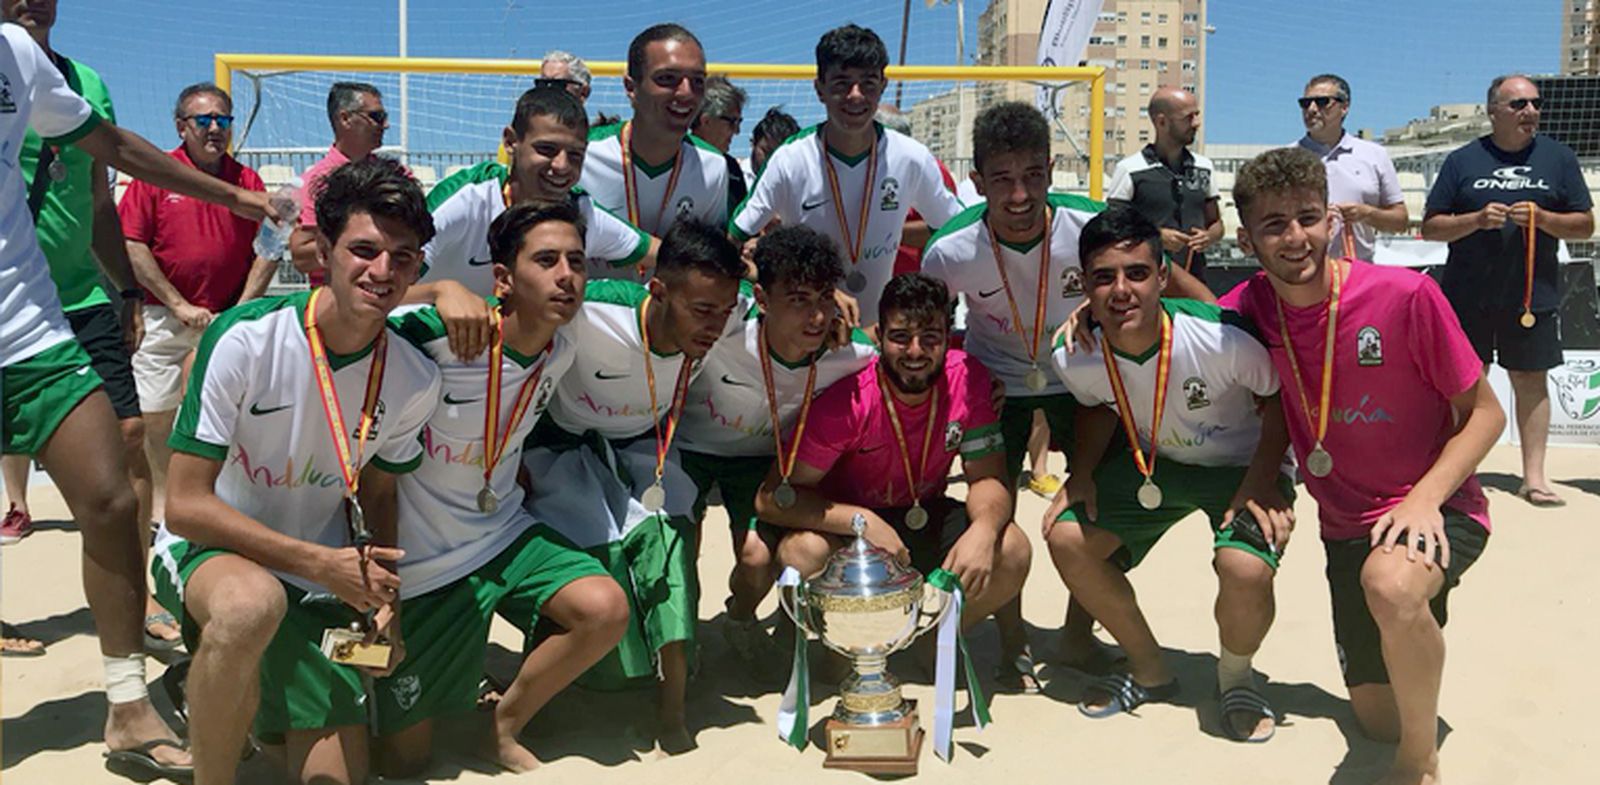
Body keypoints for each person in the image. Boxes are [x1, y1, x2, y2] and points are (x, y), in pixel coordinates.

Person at [1, 14, 271, 779]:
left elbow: (112, 153)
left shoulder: (20, 58)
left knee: (112, 497)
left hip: (30, 324)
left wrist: (236, 196)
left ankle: (127, 704)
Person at [154, 158, 440, 785]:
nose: (383, 271)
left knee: (337, 776)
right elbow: (184, 505)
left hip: (319, 576)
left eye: (403, 257)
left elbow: (380, 494)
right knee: (250, 607)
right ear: (323, 251)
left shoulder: (416, 378)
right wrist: (319, 564)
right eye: (364, 250)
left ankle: (218, 686)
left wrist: (385, 599)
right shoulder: (245, 338)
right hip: (215, 553)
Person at [1225, 147, 1504, 785]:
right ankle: (1415, 618)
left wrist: (1425, 499)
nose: (1296, 238)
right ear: (1246, 240)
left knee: (1390, 587)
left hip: (1437, 505)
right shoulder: (1254, 305)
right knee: (1378, 717)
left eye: (1308, 217)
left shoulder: (1405, 295)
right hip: (1347, 527)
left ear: (1332, 220)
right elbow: (1173, 309)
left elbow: (1487, 414)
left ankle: (1419, 765)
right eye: (1274, 225)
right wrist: (1091, 315)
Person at [921, 102, 1215, 681]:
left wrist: (1111, 310)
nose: (1019, 195)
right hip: (998, 387)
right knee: (996, 515)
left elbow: (1191, 296)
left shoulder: (1091, 224)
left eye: (1033, 175)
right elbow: (925, 326)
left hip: (1085, 383)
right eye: (1002, 180)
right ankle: (1012, 643)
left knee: (1097, 508)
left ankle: (1079, 636)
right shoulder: (950, 249)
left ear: (1051, 170)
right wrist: (963, 372)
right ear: (976, 181)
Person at [381, 201, 629, 775]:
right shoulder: (439, 337)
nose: (566, 275)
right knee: (403, 760)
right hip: (423, 563)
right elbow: (353, 309)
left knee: (604, 608)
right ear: (502, 279)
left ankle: (500, 725)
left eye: (577, 262)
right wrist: (438, 288)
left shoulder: (559, 351)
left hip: (501, 534)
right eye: (546, 260)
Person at [1043, 204, 1294, 743]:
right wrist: (1080, 473)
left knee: (1245, 569)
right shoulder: (1073, 353)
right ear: (1083, 284)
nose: (1121, 290)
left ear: (1162, 276)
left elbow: (1279, 400)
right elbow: (1094, 405)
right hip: (1156, 463)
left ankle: (1236, 680)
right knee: (1065, 537)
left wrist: (1261, 481)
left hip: (1242, 467)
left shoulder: (1222, 338)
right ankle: (1149, 669)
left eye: (1136, 273)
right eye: (1103, 277)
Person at [520, 217, 745, 753]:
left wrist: (835, 314)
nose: (715, 326)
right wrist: (444, 291)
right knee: (583, 561)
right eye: (702, 310)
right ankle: (549, 693)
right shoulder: (593, 310)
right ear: (659, 291)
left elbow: (789, 312)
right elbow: (511, 312)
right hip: (562, 444)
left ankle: (673, 708)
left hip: (645, 447)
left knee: (671, 542)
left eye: (725, 310)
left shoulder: (730, 318)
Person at [1, 0, 176, 655]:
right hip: (18, 302)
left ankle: (138, 595)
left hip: (79, 294)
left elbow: (101, 197)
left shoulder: (87, 81)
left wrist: (126, 288)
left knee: (128, 439)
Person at [754, 273, 1032, 679]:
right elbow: (772, 498)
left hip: (925, 513)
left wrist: (985, 530)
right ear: (880, 336)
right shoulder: (848, 402)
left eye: (930, 337)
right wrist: (862, 522)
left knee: (1013, 547)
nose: (915, 351)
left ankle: (931, 643)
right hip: (849, 530)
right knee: (802, 552)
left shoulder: (968, 379)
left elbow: (988, 478)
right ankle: (848, 650)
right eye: (901, 337)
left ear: (948, 336)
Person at [676, 225, 876, 680]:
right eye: (799, 300)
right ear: (762, 300)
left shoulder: (852, 353)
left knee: (756, 559)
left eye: (824, 298)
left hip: (762, 463)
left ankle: (740, 620)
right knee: (680, 550)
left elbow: (904, 365)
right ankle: (680, 641)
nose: (817, 316)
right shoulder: (727, 327)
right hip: (688, 448)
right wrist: (749, 268)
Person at [1421, 74, 1593, 509]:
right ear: (1493, 111)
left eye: (1535, 103)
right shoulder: (1462, 160)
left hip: (1533, 294)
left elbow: (1585, 225)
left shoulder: (1559, 158)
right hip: (1468, 294)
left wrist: (1544, 218)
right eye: (1518, 104)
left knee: (1530, 380)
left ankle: (1534, 478)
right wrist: (1475, 220)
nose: (1530, 111)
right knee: (1465, 383)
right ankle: (1459, 475)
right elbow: (1431, 227)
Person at [730, 24, 964, 324]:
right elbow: (732, 240)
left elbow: (958, 229)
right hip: (804, 332)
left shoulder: (911, 157)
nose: (856, 96)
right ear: (819, 89)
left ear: (883, 85)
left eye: (868, 83)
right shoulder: (790, 159)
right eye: (841, 84)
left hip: (876, 333)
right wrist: (763, 284)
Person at [121, 82, 274, 535]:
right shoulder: (156, 174)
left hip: (229, 317)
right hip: (165, 317)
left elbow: (271, 245)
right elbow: (132, 243)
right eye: (203, 120)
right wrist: (178, 303)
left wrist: (240, 309)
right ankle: (164, 507)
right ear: (180, 126)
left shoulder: (248, 182)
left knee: (233, 414)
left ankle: (221, 500)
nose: (214, 128)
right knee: (155, 413)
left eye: (222, 120)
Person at [420, 86, 655, 303]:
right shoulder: (467, 199)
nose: (562, 165)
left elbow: (659, 253)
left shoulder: (581, 212)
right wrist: (440, 292)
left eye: (575, 154)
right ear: (511, 142)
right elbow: (395, 280)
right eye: (547, 149)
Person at [581, 24, 730, 236]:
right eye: (667, 78)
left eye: (697, 81)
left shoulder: (713, 167)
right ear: (631, 87)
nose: (686, 93)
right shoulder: (581, 154)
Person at [1107, 87, 1223, 281]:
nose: (1196, 123)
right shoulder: (1129, 169)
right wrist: (1156, 236)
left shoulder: (1204, 167)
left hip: (1194, 279)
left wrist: (1209, 236)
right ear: (1161, 122)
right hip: (1145, 281)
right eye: (1188, 117)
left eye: (1197, 115)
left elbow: (1216, 224)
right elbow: (1112, 225)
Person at [1295, 74, 1407, 262]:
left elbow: (1400, 222)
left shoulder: (1375, 155)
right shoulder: (1285, 159)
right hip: (1301, 270)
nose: (1312, 109)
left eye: (1322, 102)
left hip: (1358, 270)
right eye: (1305, 103)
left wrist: (1366, 214)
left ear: (1344, 107)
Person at [289, 81, 391, 282]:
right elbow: (301, 257)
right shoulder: (315, 183)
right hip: (335, 297)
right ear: (345, 119)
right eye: (376, 117)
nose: (385, 125)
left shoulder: (396, 174)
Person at [693, 75, 749, 207]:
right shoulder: (677, 161)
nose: (737, 131)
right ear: (706, 121)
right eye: (732, 122)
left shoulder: (731, 168)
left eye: (739, 122)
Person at [748, 105, 798, 179]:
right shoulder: (735, 174)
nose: (771, 159)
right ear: (753, 143)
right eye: (766, 152)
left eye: (779, 155)